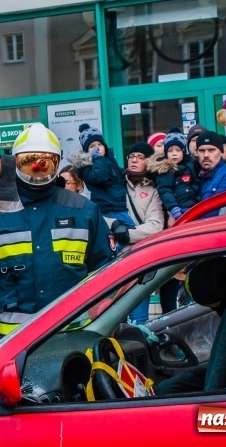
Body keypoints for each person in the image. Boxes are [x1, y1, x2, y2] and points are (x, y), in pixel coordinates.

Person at [0, 123, 115, 337]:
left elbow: (105, 274)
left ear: (57, 162)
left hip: (74, 337)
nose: (37, 170)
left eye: (45, 163)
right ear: (15, 163)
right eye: (29, 162)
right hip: (14, 344)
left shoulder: (84, 211)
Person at [112, 141, 165, 322]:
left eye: (140, 157)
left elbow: (156, 226)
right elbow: (99, 214)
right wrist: (113, 226)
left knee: (138, 321)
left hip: (138, 262)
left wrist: (126, 234)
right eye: (131, 156)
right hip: (112, 262)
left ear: (148, 161)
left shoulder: (153, 190)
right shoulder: (114, 184)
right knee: (111, 320)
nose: (134, 160)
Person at [70, 123, 135, 228]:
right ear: (86, 151)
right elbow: (100, 176)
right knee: (128, 233)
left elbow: (117, 177)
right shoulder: (86, 167)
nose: (97, 148)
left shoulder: (108, 160)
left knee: (129, 234)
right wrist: (97, 158)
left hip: (121, 205)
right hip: (109, 209)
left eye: (99, 144)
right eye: (92, 146)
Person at [151, 128, 199, 223]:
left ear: (183, 151)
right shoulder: (166, 169)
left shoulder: (190, 165)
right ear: (165, 153)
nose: (174, 154)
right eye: (170, 151)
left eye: (178, 150)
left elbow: (196, 184)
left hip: (192, 209)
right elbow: (164, 190)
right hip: (177, 211)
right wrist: (173, 208)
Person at [195, 130, 226, 218]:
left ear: (220, 151)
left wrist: (178, 212)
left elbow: (212, 211)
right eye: (201, 150)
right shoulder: (192, 172)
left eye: (211, 150)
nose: (206, 155)